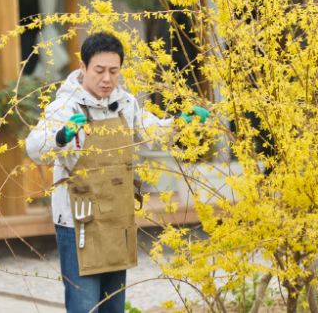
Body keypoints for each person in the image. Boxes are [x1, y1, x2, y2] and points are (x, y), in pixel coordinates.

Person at [26, 32, 208, 313]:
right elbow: (34, 148)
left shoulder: (125, 103)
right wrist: (62, 136)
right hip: (79, 224)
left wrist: (179, 124)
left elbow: (151, 132)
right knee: (85, 307)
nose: (107, 79)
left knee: (114, 308)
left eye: (114, 71)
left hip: (116, 218)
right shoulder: (65, 106)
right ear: (84, 68)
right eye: (99, 70)